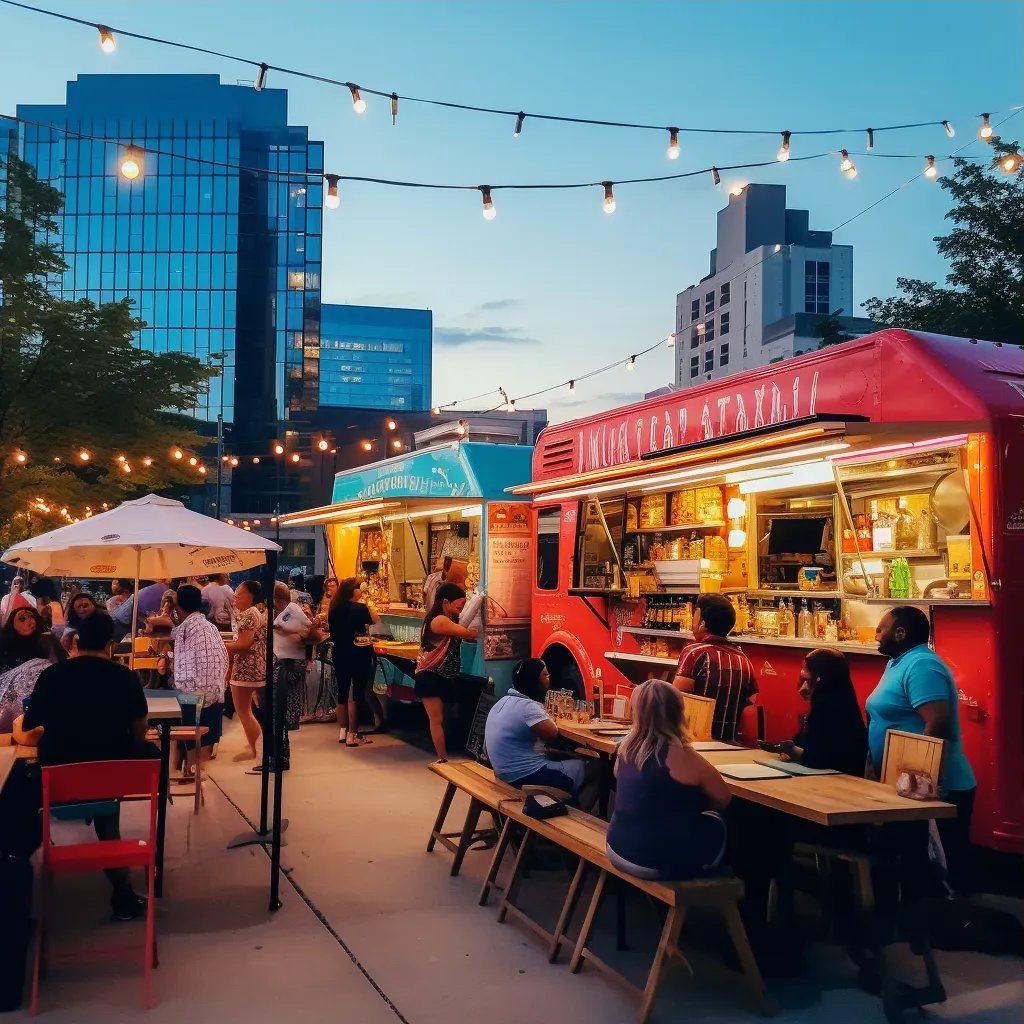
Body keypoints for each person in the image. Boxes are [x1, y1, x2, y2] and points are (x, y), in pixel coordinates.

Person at [23, 612, 157, 920]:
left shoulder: (52, 676)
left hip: (57, 778)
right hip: (112, 775)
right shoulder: (124, 677)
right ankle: (122, 892)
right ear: (111, 645)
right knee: (107, 804)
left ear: (76, 641)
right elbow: (140, 729)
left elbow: (32, 729)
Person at [867, 607, 976, 892]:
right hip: (907, 787)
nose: (876, 635)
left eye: (881, 629)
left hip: (935, 787)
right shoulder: (898, 662)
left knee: (940, 875)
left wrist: (922, 782)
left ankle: (950, 930)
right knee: (914, 870)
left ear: (900, 633)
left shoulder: (922, 665)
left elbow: (938, 723)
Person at [606, 679, 731, 880]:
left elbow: (618, 777)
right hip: (656, 861)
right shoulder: (684, 756)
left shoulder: (624, 750)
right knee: (719, 822)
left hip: (617, 849)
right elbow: (723, 798)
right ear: (679, 714)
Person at [485, 658, 588, 796]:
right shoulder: (528, 707)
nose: (549, 679)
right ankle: (577, 811)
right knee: (593, 767)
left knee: (562, 757)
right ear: (534, 680)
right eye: (545, 675)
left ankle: (569, 802)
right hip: (524, 776)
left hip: (504, 773)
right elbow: (554, 735)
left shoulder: (503, 700)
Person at [672, 593, 758, 743]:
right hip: (730, 747)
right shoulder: (744, 660)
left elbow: (676, 699)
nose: (693, 625)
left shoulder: (694, 653)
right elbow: (751, 705)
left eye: (695, 619)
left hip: (694, 745)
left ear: (703, 624)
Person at [768, 649, 868, 777]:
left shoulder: (825, 705)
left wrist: (790, 749)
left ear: (820, 676)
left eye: (807, 671)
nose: (804, 678)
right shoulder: (845, 698)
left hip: (836, 780)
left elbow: (817, 759)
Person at [414, 583, 477, 762]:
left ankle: (446, 751)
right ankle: (442, 758)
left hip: (443, 675)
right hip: (430, 676)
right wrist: (473, 630)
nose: (461, 609)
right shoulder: (439, 621)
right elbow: (467, 633)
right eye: (459, 606)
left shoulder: (446, 618)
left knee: (445, 716)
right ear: (446, 601)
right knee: (437, 719)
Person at [169, 585, 228, 776]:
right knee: (205, 742)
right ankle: (197, 775)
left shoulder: (185, 631)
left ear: (178, 605)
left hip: (193, 697)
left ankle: (191, 771)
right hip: (216, 694)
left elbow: (183, 672)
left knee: (186, 733)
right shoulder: (209, 627)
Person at [256, 582, 311, 773]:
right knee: (275, 716)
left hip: (286, 667)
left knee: (275, 715)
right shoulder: (288, 611)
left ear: (276, 599)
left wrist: (286, 630)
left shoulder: (291, 610)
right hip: (283, 665)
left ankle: (277, 758)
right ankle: (278, 757)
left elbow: (307, 631)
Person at [329, 577, 381, 747]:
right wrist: (368, 602)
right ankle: (354, 734)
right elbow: (375, 620)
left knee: (342, 692)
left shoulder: (334, 609)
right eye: (359, 588)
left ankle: (342, 731)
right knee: (357, 693)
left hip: (339, 652)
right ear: (353, 591)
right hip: (358, 652)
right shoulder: (360, 608)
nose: (361, 590)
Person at [0, 599, 59, 734]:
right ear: (12, 624)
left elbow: (55, 670)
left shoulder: (46, 641)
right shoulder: (4, 646)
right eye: (22, 619)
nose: (29, 621)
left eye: (31, 617)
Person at [224, 580, 267, 762]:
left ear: (251, 596)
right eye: (235, 595)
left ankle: (257, 751)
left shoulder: (249, 613)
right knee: (246, 710)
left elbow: (245, 642)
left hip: (246, 668)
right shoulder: (255, 612)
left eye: (239, 596)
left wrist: (223, 645)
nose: (235, 599)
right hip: (253, 665)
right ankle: (255, 749)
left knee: (244, 712)